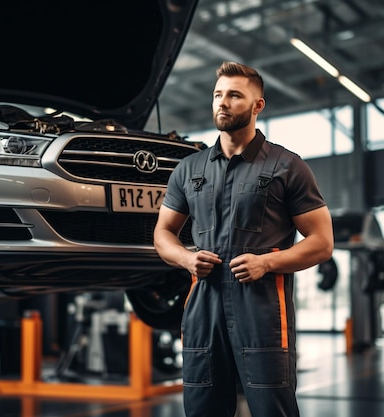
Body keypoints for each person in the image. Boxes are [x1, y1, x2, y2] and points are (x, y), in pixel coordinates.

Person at [153, 61, 334, 417]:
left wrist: (266, 262)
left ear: (257, 106)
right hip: (203, 307)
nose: (223, 102)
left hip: (262, 309)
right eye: (218, 94)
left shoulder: (287, 166)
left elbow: (322, 242)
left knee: (272, 409)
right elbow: (163, 234)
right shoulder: (189, 169)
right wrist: (187, 258)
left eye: (235, 95)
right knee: (203, 409)